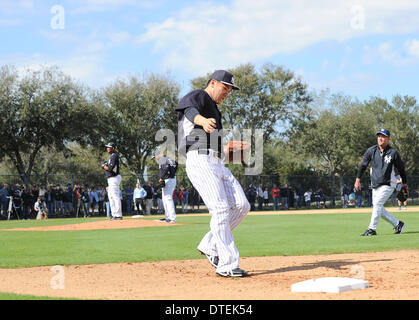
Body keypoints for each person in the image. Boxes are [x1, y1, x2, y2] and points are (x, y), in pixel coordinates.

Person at [176, 69, 249, 278]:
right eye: (225, 87)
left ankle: (209, 244)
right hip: (199, 159)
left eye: (230, 90)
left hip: (215, 161)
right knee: (220, 209)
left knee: (242, 205)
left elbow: (217, 148)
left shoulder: (216, 111)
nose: (228, 92)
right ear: (213, 83)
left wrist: (232, 151)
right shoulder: (199, 96)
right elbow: (190, 111)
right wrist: (202, 121)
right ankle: (227, 264)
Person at [355, 129, 407, 236]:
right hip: (375, 184)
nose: (380, 138)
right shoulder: (371, 151)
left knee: (377, 204)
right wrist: (358, 179)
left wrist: (404, 183)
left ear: (388, 139)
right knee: (377, 208)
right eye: (379, 136)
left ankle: (372, 229)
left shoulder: (393, 153)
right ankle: (398, 224)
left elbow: (401, 169)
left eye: (383, 136)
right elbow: (363, 165)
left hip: (388, 183)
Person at [101, 142, 123, 220]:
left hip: (114, 177)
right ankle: (114, 214)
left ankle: (118, 215)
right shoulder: (112, 156)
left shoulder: (114, 156)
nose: (107, 148)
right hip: (111, 178)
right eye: (107, 147)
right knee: (111, 197)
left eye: (109, 147)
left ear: (113, 148)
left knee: (115, 196)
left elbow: (110, 168)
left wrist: (104, 166)